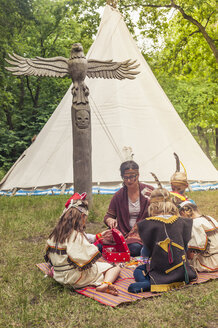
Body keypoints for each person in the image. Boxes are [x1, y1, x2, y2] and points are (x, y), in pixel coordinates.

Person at [44, 193, 121, 295]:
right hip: (74, 279)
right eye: (85, 218)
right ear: (82, 216)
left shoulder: (54, 234)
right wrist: (98, 244)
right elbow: (86, 257)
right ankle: (105, 284)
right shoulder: (75, 236)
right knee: (115, 267)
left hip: (59, 276)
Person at [128, 188, 197, 293]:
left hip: (161, 271)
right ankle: (177, 278)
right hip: (182, 271)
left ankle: (149, 283)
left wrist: (145, 260)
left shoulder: (148, 224)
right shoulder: (183, 222)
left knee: (139, 270)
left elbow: (145, 252)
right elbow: (185, 247)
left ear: (152, 205)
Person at [103, 160, 154, 257]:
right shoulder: (118, 195)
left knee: (134, 248)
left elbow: (161, 211)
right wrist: (110, 220)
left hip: (142, 233)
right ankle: (123, 248)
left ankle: (123, 250)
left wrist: (155, 200)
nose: (129, 181)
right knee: (101, 246)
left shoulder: (149, 191)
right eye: (125, 178)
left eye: (131, 177)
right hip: (123, 233)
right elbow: (109, 216)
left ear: (138, 175)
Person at [179, 201, 218, 272]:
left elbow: (192, 253)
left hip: (211, 263)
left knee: (183, 263)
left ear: (183, 213)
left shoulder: (194, 223)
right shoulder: (208, 217)